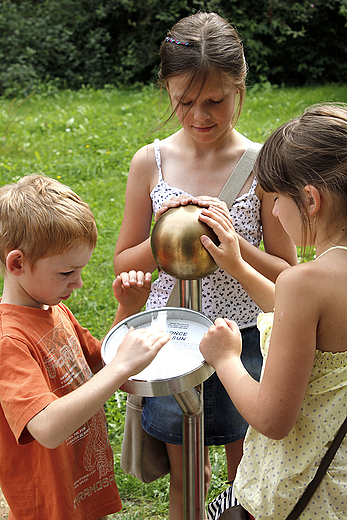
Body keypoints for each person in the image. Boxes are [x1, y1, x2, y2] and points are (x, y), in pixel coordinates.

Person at [113, 11, 297, 518]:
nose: (200, 115)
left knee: (248, 483)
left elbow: (287, 272)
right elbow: (124, 260)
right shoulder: (150, 162)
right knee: (188, 481)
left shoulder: (264, 166)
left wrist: (236, 248)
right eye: (184, 102)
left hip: (247, 339)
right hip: (174, 341)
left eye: (215, 100)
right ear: (166, 93)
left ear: (239, 87)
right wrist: (161, 238)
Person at [199, 103, 347, 519]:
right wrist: (238, 266)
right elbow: (304, 321)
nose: (275, 213)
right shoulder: (321, 285)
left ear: (310, 200)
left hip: (299, 487)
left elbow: (272, 418)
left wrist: (225, 358)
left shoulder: (305, 283)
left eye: (276, 199)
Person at [0, 174, 170, 520]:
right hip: (48, 504)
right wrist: (123, 365)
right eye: (66, 273)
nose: (78, 283)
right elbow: (46, 428)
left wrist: (128, 309)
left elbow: (99, 367)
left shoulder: (53, 308)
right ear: (16, 263)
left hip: (80, 483)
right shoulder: (8, 340)